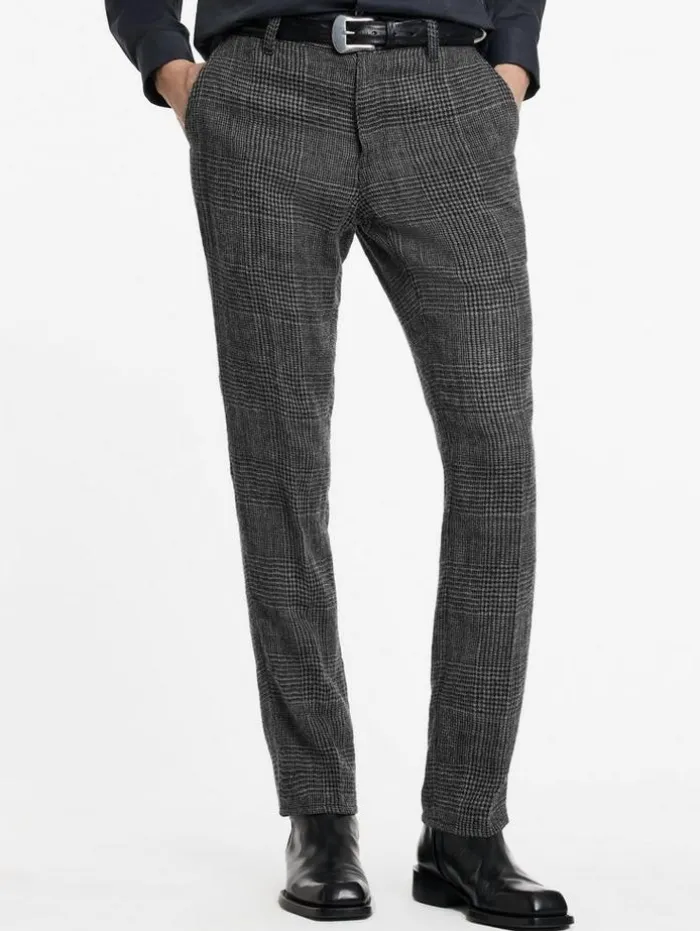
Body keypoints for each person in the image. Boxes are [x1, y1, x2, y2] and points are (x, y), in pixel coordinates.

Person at [105, 2, 573, 927]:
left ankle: (466, 827)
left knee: (494, 456)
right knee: (279, 459)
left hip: (448, 92)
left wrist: (512, 65)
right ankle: (319, 816)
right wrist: (169, 64)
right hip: (263, 94)